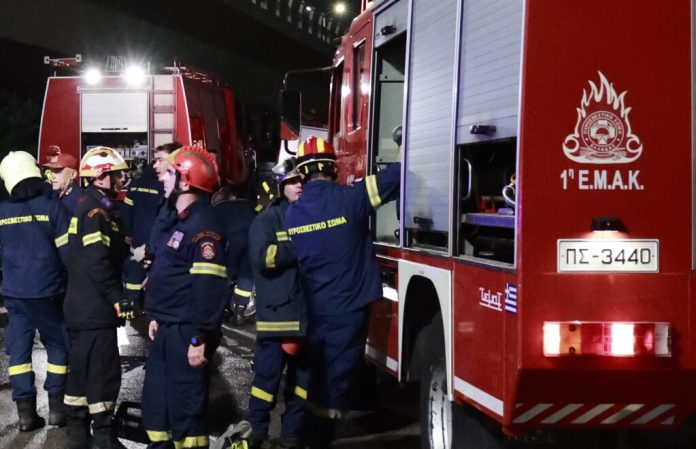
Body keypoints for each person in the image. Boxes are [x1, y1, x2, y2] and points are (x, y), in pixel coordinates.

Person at [284, 136, 401, 448]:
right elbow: (397, 175)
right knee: (336, 385)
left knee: (317, 377)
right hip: (349, 309)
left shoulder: (292, 215)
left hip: (314, 310)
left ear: (302, 173)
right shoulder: (352, 199)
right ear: (333, 168)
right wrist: (403, 142)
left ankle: (305, 435)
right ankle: (318, 438)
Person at [141, 146, 229, 449]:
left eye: (169, 173)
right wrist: (157, 316)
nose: (162, 178)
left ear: (186, 181)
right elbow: (172, 276)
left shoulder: (204, 228)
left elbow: (208, 289)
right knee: (157, 404)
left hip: (186, 331)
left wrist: (198, 337)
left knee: (185, 408)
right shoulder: (182, 222)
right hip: (169, 327)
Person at [63, 146, 132, 449]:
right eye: (117, 175)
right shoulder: (96, 212)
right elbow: (97, 261)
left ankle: (77, 433)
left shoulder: (86, 205)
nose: (121, 180)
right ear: (102, 177)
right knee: (102, 371)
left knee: (80, 371)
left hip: (80, 306)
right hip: (95, 309)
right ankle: (103, 435)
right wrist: (117, 297)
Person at [0, 151, 70, 431]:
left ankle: (26, 415)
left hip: (16, 294)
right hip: (50, 291)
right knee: (58, 347)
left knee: (18, 354)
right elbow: (67, 253)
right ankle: (57, 410)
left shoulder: (2, 211)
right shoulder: (53, 205)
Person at [245, 158, 307, 449]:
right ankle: (257, 432)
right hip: (278, 315)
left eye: (301, 180)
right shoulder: (267, 219)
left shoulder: (310, 215)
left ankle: (291, 436)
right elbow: (263, 258)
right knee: (266, 380)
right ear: (280, 186)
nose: (299, 186)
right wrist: (300, 246)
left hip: (306, 315)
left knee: (302, 383)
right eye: (293, 181)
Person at [212, 184, 256, 325]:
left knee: (226, 274)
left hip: (232, 241)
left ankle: (217, 311)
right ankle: (239, 313)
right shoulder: (250, 205)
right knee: (247, 275)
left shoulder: (218, 208)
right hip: (252, 240)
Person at [121, 160, 162, 307]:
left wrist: (128, 232)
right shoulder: (163, 187)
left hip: (137, 240)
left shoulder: (135, 184)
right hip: (155, 242)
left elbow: (126, 211)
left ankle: (132, 305)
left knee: (134, 272)